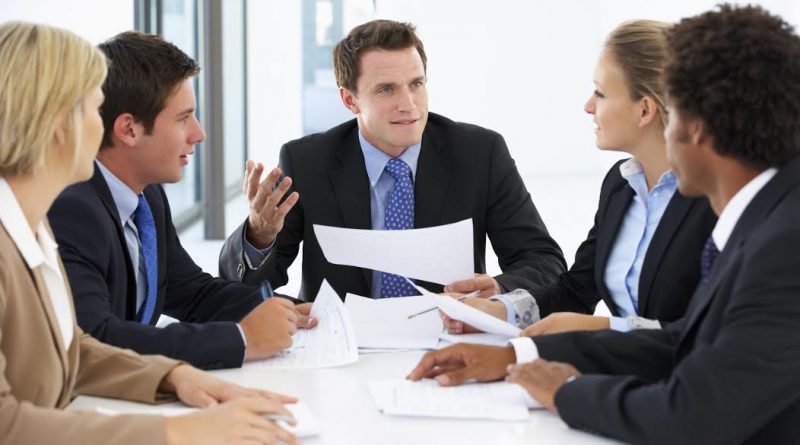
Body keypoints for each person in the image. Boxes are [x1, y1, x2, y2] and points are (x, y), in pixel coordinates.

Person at [409, 5, 800, 444]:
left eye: (675, 116)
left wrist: (567, 391)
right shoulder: (769, 213)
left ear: (697, 129)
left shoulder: (783, 245)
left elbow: (694, 413)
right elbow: (685, 340)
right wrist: (519, 354)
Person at [0, 21, 299, 445]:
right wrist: (177, 431)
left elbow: (72, 348)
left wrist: (172, 375)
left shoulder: (29, 229)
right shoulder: (48, 219)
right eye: (92, 108)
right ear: (56, 125)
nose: (100, 125)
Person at [218, 19, 566, 301]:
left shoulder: (480, 153)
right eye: (387, 89)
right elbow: (245, 288)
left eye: (416, 84)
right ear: (349, 100)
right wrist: (259, 236)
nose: (409, 104)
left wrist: (500, 289)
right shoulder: (307, 161)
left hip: (449, 334)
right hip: (344, 343)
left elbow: (543, 261)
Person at [48, 31, 316, 370]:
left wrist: (284, 308)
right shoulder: (72, 208)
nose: (198, 134)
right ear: (128, 129)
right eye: (182, 118)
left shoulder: (147, 195)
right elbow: (98, 337)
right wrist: (243, 340)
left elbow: (191, 293)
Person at [443, 20, 716, 335]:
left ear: (645, 110)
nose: (588, 106)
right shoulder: (620, 185)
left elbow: (706, 332)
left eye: (600, 93)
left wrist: (602, 327)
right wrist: (498, 310)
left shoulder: (713, 198)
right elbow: (575, 291)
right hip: (619, 371)